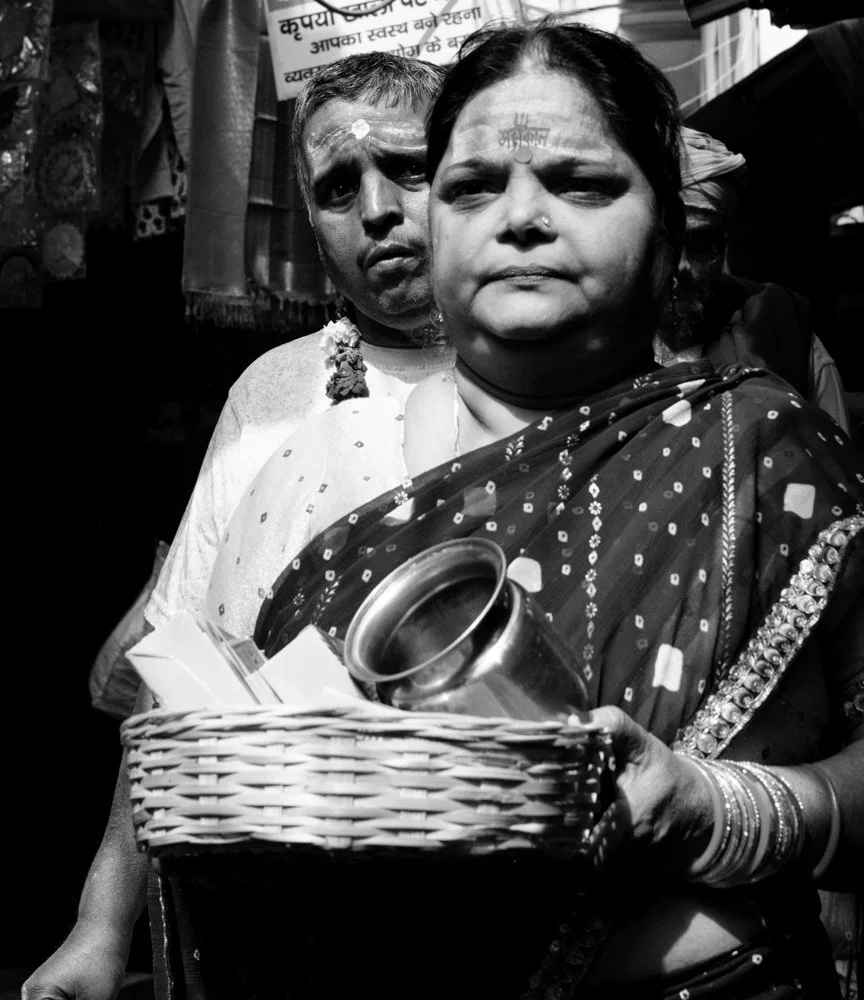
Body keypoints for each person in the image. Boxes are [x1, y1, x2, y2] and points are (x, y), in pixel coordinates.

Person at [248, 19, 864, 1000]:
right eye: (474, 185)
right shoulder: (314, 458)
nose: (520, 218)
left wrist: (725, 809)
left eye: (581, 181)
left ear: (668, 229)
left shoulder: (754, 450)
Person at [23, 51, 454, 1000]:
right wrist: (101, 924)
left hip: (481, 912)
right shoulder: (271, 393)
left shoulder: (542, 379)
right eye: (339, 186)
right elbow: (175, 670)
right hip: (266, 923)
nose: (376, 208)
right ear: (309, 220)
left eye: (407, 169)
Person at [671, 126, 851, 433]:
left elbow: (834, 471)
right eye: (666, 243)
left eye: (700, 243)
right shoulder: (592, 347)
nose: (681, 265)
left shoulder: (783, 335)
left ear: (723, 245)